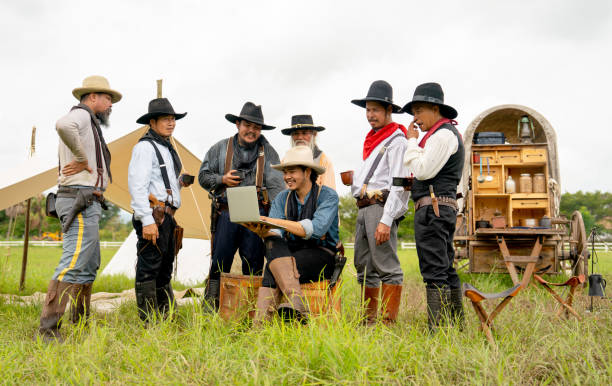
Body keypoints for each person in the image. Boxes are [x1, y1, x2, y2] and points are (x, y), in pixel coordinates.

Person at [38, 75, 120, 342]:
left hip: (87, 199)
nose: (110, 104)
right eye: (108, 98)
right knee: (74, 263)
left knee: (88, 263)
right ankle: (49, 329)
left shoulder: (89, 122)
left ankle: (81, 319)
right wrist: (83, 158)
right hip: (80, 198)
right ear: (92, 97)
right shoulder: (82, 116)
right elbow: (62, 125)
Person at [198, 102, 284, 311]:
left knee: (254, 264)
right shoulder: (219, 148)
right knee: (220, 262)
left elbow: (277, 188)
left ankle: (249, 311)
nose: (251, 131)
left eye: (256, 127)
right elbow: (202, 177)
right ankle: (210, 311)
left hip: (256, 214)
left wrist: (272, 222)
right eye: (247, 125)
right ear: (237, 124)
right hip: (226, 213)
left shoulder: (269, 152)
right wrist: (221, 179)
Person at [242, 146, 339, 324]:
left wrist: (275, 222)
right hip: (289, 254)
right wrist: (260, 230)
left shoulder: (328, 196)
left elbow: (315, 230)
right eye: (285, 172)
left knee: (273, 266)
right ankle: (296, 303)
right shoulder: (282, 198)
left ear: (307, 171)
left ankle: (260, 323)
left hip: (322, 254)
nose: (287, 177)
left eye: (292, 172)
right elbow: (275, 232)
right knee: (272, 240)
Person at [402, 82, 464, 332]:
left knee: (434, 270)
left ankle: (437, 329)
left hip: (433, 209)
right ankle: (454, 325)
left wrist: (412, 142)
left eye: (419, 111)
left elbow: (423, 169)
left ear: (435, 108)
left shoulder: (443, 135)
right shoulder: (443, 134)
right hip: (440, 207)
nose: (415, 119)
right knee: (444, 266)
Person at [349, 80, 410, 325]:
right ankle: (369, 319)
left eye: (375, 110)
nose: (370, 115)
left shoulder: (397, 142)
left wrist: (387, 219)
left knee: (386, 265)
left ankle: (387, 322)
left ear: (388, 111)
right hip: (364, 207)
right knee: (363, 266)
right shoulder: (374, 140)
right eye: (368, 110)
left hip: (380, 207)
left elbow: (401, 184)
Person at [129, 97, 193, 323]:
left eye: (173, 118)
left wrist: (179, 184)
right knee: (149, 269)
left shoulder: (165, 147)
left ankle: (165, 318)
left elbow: (159, 183)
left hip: (166, 216)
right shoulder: (145, 147)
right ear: (152, 122)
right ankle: (149, 323)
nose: (172, 123)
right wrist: (147, 220)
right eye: (166, 119)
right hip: (153, 216)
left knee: (164, 269)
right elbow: (137, 187)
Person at [281, 115, 336, 189]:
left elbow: (329, 194)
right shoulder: (285, 160)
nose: (300, 138)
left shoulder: (323, 160)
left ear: (314, 134)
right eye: (296, 134)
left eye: (304, 133)